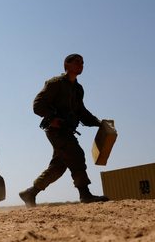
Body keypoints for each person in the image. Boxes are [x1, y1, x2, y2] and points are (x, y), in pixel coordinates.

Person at [20, 54, 110, 207]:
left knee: (58, 166)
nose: (81, 65)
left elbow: (81, 112)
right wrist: (51, 118)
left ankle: (30, 193)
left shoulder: (78, 89)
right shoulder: (55, 83)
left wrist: (99, 123)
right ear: (66, 65)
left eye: (82, 63)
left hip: (67, 130)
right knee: (76, 155)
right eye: (77, 62)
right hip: (56, 130)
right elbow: (38, 104)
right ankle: (85, 194)